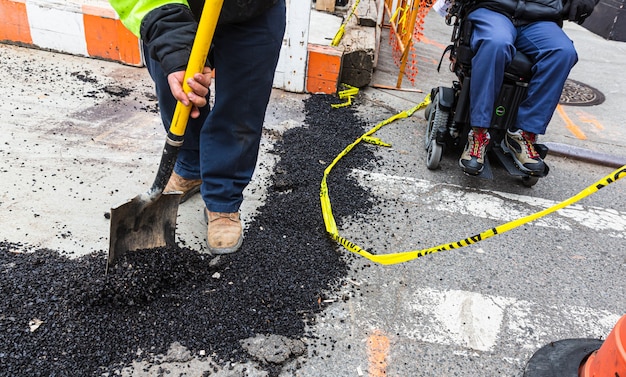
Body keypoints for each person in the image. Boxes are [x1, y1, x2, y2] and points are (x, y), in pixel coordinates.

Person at [109, 0, 286, 254]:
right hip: (172, 4)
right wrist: (170, 32)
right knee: (177, 92)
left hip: (252, 8)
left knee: (243, 102)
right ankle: (191, 168)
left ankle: (223, 197)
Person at [458, 0, 598, 176]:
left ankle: (523, 135)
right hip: (494, 8)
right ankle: (478, 133)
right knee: (496, 43)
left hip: (541, 15)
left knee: (562, 52)